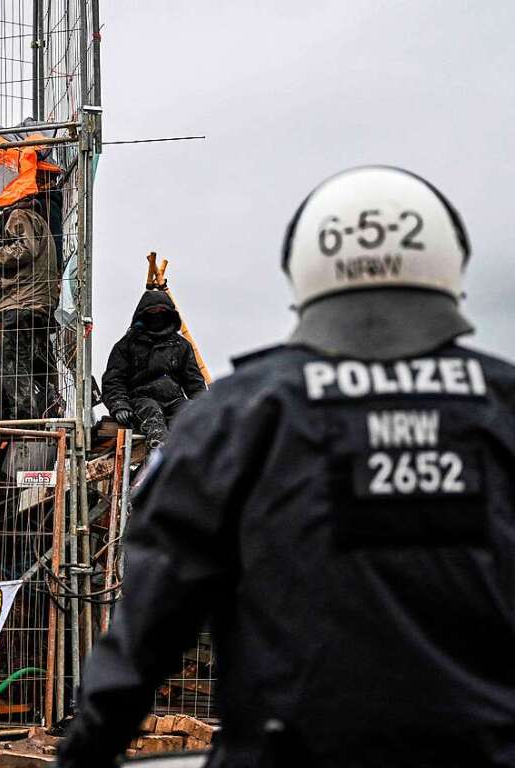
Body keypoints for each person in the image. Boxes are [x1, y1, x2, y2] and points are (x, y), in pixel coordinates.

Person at [58, 166, 515, 767]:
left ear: (302, 274)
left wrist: (85, 753)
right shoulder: (502, 409)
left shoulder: (236, 421)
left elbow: (147, 632)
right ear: (449, 269)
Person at [101, 290, 206, 447]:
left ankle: (198, 457)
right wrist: (119, 405)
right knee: (151, 411)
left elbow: (194, 383)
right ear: (143, 314)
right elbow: (114, 380)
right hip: (141, 400)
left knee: (188, 412)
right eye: (152, 312)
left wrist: (204, 406)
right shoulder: (127, 345)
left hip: (174, 400)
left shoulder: (181, 346)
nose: (157, 316)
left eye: (161, 312)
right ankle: (161, 451)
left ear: (169, 315)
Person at [0, 199, 59, 420]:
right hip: (38, 303)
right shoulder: (41, 223)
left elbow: (24, 249)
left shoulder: (19, 215)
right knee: (36, 364)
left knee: (10, 363)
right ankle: (47, 410)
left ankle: (24, 418)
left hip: (22, 301)